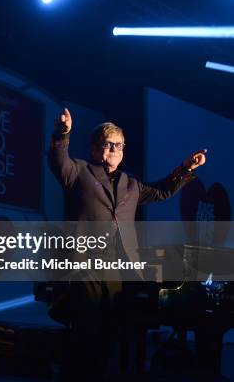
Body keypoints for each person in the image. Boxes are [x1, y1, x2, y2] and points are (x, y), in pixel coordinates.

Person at [48, 108, 206, 380]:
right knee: (86, 331)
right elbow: (57, 159)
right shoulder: (79, 172)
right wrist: (63, 133)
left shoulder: (131, 184)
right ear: (95, 148)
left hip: (119, 268)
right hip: (85, 266)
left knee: (114, 332)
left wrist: (186, 168)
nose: (113, 150)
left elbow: (163, 190)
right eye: (107, 145)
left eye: (118, 146)